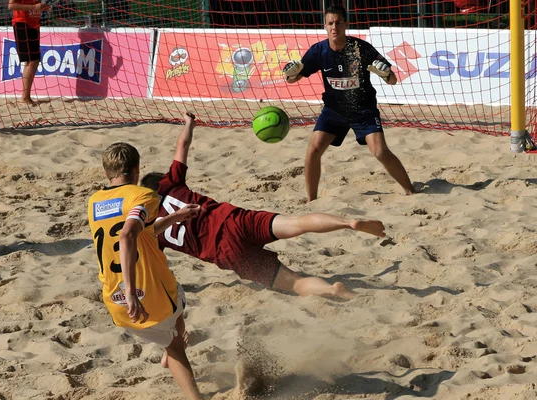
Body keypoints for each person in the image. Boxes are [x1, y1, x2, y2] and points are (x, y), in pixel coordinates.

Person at [141, 112, 387, 299]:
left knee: (295, 283)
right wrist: (188, 123)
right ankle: (348, 222)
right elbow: (182, 145)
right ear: (159, 183)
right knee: (298, 223)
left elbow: (153, 265)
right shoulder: (171, 183)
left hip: (226, 251)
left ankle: (333, 290)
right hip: (234, 219)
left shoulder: (150, 228)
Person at [87, 142, 202, 400]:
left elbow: (141, 230)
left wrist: (177, 216)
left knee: (179, 302)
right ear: (137, 169)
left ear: (107, 173)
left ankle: (167, 350)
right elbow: (128, 234)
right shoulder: (144, 196)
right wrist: (131, 293)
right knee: (176, 349)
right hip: (144, 295)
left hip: (112, 297)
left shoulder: (94, 201)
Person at [283, 4, 416, 202]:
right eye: (330, 23)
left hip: (363, 108)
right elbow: (294, 78)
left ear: (346, 24)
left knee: (380, 152)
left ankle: (411, 191)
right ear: (325, 27)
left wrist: (386, 74)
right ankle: (311, 201)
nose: (334, 27)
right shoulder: (318, 51)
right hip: (334, 110)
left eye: (338, 22)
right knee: (313, 150)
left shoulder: (360, 49)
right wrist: (290, 74)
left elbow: (393, 80)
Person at [8, 0, 49, 105]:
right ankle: (25, 97)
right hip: (23, 23)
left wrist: (42, 7)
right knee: (33, 61)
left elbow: (36, 6)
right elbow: (11, 5)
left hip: (34, 24)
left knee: (31, 61)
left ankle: (25, 96)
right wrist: (34, 7)